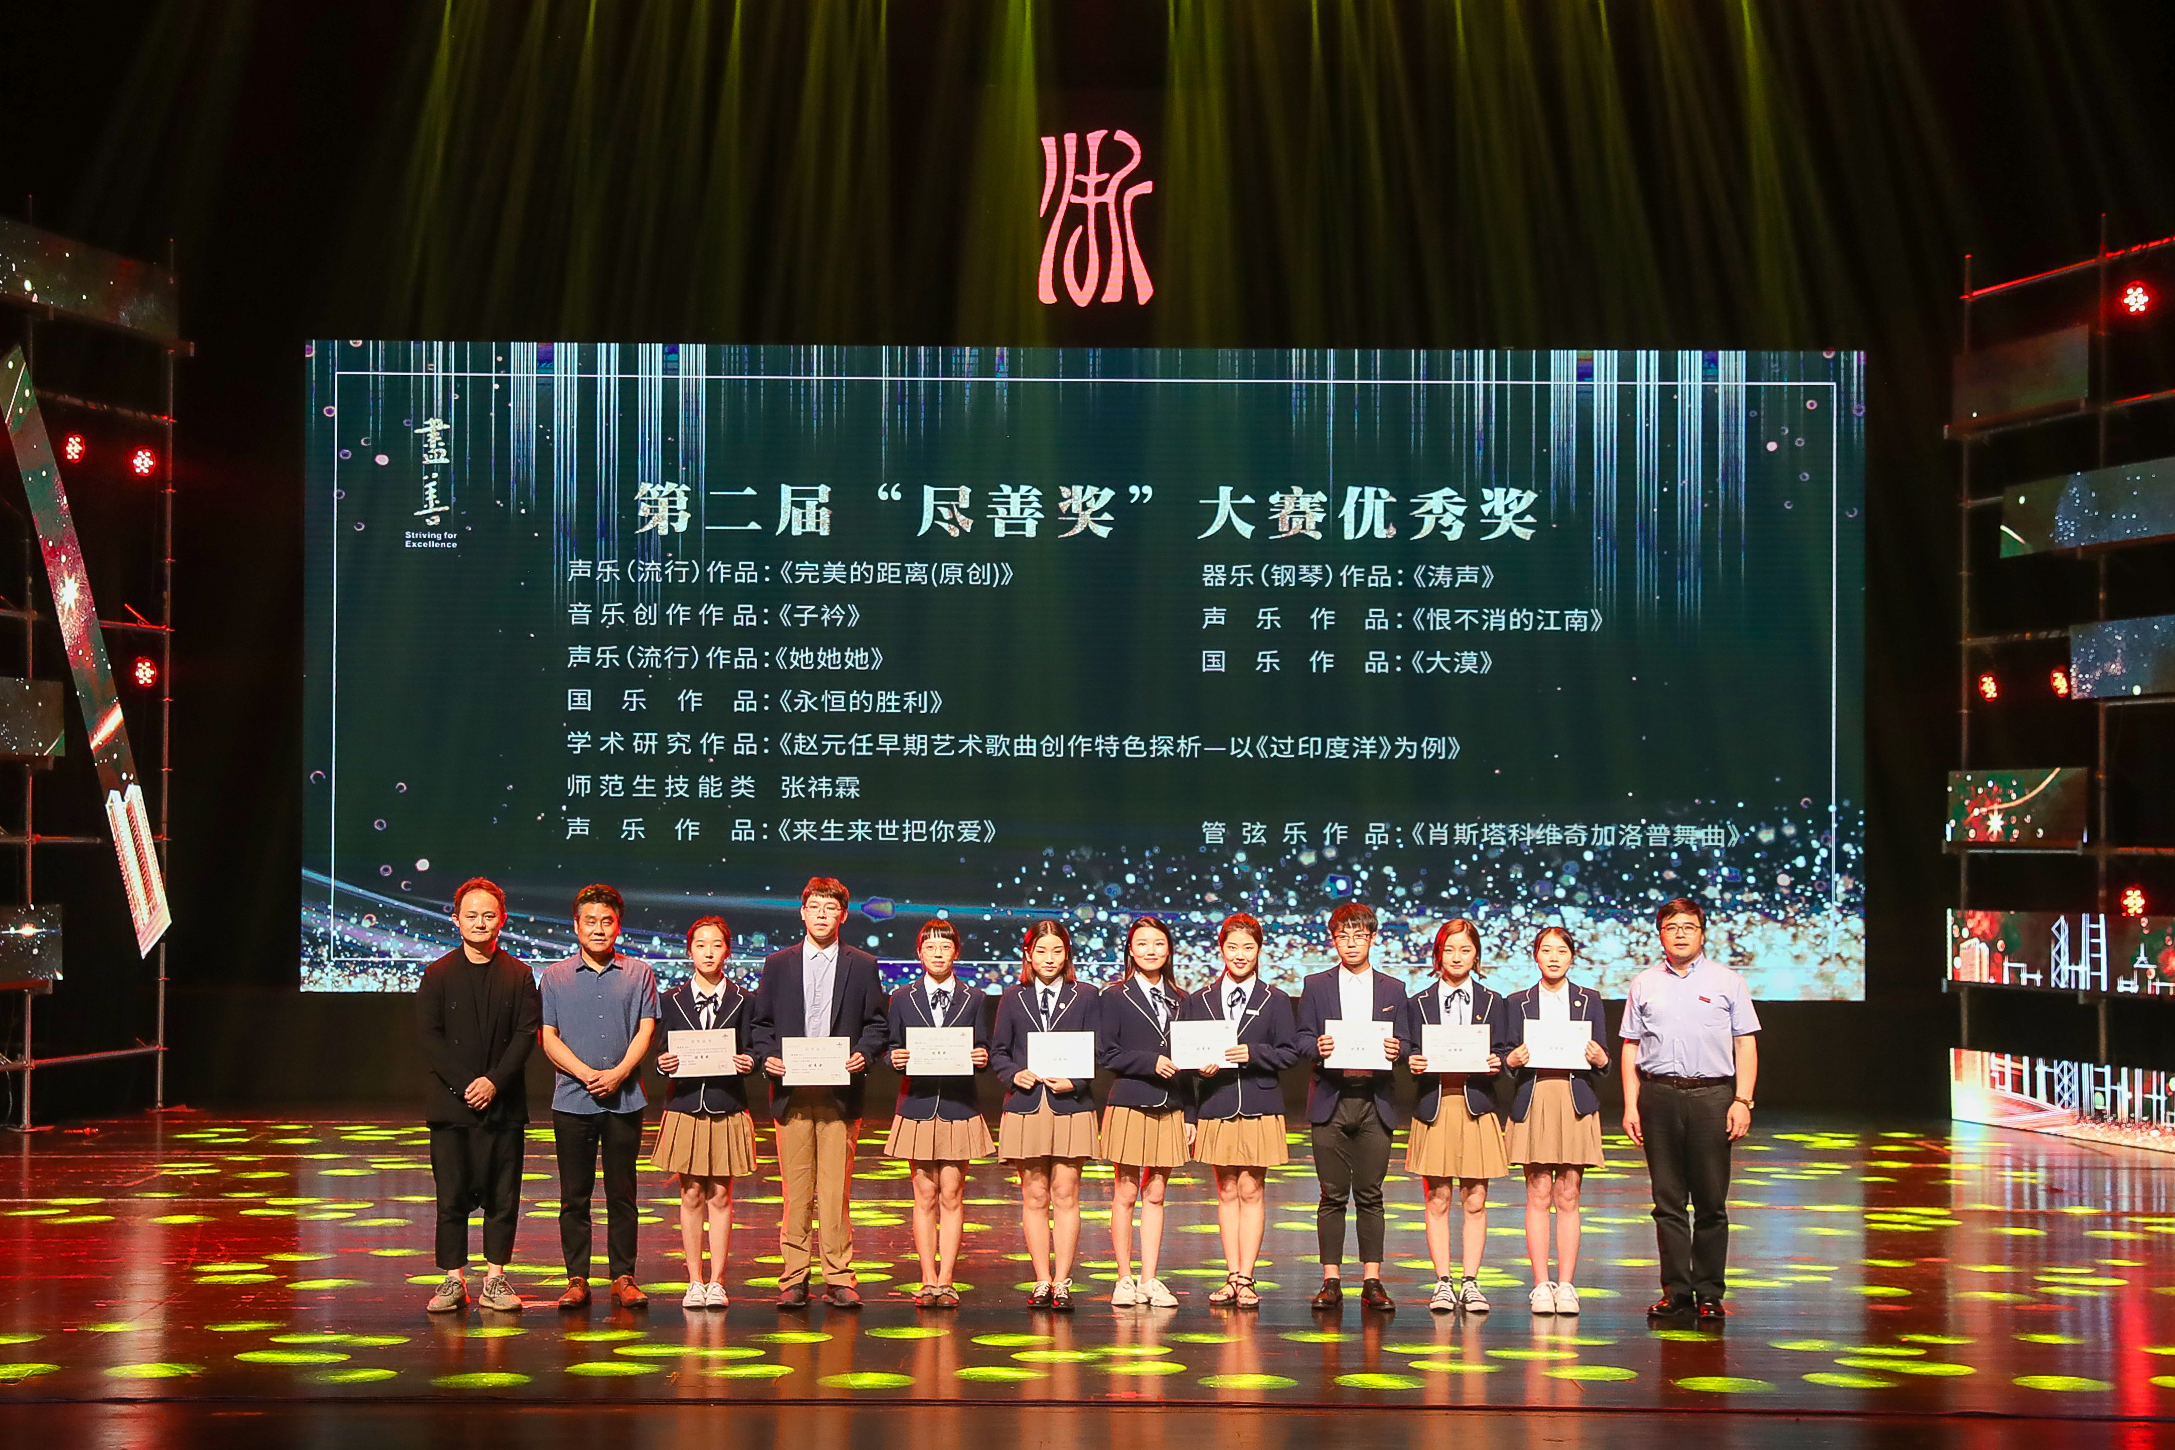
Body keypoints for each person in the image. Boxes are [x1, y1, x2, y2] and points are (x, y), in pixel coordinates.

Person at [748, 876, 889, 1310]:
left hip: (839, 1093)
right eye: (815, 907)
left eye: (831, 908)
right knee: (795, 1191)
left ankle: (839, 1276)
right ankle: (793, 1277)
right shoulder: (778, 964)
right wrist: (768, 1057)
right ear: (802, 912)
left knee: (834, 1192)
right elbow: (761, 1024)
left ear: (843, 915)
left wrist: (863, 1054)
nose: (822, 915)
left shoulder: (862, 964)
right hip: (791, 1091)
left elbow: (877, 1024)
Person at [1620, 896, 1761, 1321]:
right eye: (1671, 927)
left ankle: (1710, 1294)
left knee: (1711, 1202)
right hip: (1658, 1096)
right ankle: (1677, 1291)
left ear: (1702, 934)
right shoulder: (1644, 983)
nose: (1680, 934)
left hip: (1712, 1097)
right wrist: (1631, 1105)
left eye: (1688, 927)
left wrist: (1742, 1100)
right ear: (1660, 934)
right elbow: (1630, 1046)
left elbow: (1745, 1043)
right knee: (1667, 1202)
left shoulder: (1728, 981)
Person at [418, 877, 541, 1315]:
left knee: (503, 1196)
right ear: (456, 919)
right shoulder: (437, 974)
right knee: (450, 1195)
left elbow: (525, 1035)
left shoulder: (519, 975)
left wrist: (494, 1082)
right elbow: (430, 1037)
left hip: (503, 1105)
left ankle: (495, 1278)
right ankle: (453, 1279)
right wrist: (466, 1085)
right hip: (450, 1106)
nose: (480, 922)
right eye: (471, 915)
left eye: (489, 915)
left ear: (502, 920)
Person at [539, 882, 660, 1311]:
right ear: (576, 926)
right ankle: (576, 1278)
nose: (598, 929)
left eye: (607, 921)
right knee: (574, 1196)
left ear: (618, 926)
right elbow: (548, 1036)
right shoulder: (554, 977)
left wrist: (619, 1073)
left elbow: (647, 1029)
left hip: (624, 1100)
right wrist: (586, 1073)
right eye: (590, 921)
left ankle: (623, 1277)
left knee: (622, 1194)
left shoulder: (640, 973)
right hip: (572, 1100)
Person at [1183, 912, 1300, 1310]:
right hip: (1215, 1103)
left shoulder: (1276, 999)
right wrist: (1198, 1072)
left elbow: (1290, 1053)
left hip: (1259, 1103)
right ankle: (1231, 1275)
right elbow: (1186, 1059)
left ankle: (1247, 1277)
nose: (1239, 954)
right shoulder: (1199, 1000)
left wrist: (1253, 1053)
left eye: (1248, 947)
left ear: (1259, 950)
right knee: (1227, 1190)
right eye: (1232, 947)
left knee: (1251, 1189)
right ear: (1221, 949)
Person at [1295, 901, 1407, 1312]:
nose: (1351, 943)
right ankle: (1331, 1280)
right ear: (1333, 940)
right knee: (1332, 1195)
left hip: (1376, 1100)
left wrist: (1397, 1049)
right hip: (1331, 1097)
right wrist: (1318, 1047)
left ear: (1373, 938)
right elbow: (1301, 1039)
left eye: (1359, 935)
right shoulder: (1316, 985)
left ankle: (1372, 1280)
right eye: (1343, 936)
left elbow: (1408, 1042)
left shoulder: (1394, 988)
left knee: (1371, 1194)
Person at [1399, 917, 1512, 1314]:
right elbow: (1406, 1048)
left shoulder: (1494, 1001)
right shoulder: (1418, 1002)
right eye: (1449, 949)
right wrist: (1411, 1060)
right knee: (1438, 1198)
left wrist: (1499, 1062)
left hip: (1477, 1106)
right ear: (1438, 955)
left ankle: (1472, 1282)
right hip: (1435, 1105)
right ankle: (1443, 1282)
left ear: (1476, 955)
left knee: (1476, 1199)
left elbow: (1505, 1051)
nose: (1457, 956)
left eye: (1465, 949)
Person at [990, 919, 1101, 1311]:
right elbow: (999, 1051)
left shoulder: (1085, 995)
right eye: (1041, 951)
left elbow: (1099, 1050)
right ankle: (1041, 1280)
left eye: (1057, 951)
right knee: (1035, 1194)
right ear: (1028, 954)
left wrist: (1077, 1080)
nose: (1049, 958)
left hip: (1071, 1105)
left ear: (1067, 954)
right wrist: (1012, 1073)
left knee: (1066, 1193)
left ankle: (1063, 1282)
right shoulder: (1013, 996)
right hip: (1026, 1104)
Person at [1501, 925, 1610, 1316]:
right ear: (1535, 956)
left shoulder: (1589, 999)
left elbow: (1603, 1057)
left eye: (1561, 950)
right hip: (1535, 1098)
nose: (1553, 957)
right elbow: (1505, 1057)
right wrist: (1511, 1060)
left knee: (1568, 1194)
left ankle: (1566, 1285)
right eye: (1546, 950)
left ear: (1572, 957)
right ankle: (1540, 1285)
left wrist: (1601, 1059)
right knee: (1538, 1193)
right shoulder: (1518, 1002)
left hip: (1573, 1098)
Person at [884, 918, 993, 1308]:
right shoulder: (902, 997)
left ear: (956, 952)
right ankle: (927, 1278)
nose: (938, 953)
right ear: (919, 953)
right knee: (924, 1193)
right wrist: (894, 1058)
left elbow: (985, 1047)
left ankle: (947, 1280)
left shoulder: (974, 997)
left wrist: (982, 1056)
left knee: (952, 1191)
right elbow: (891, 1047)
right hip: (917, 1103)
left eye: (945, 947)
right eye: (930, 947)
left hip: (959, 1104)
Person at [651, 916, 758, 1311]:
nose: (708, 952)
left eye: (716, 945)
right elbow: (660, 1051)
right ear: (689, 951)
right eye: (700, 945)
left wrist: (750, 1060)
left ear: (727, 950)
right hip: (685, 1106)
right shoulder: (670, 999)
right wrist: (663, 1063)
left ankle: (717, 1282)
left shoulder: (744, 1000)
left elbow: (754, 1046)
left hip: (726, 1104)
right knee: (691, 1192)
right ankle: (694, 1280)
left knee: (720, 1194)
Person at [1098, 915, 1189, 1310]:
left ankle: (1150, 1278)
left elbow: (1191, 1058)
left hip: (1170, 1104)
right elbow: (1107, 1053)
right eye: (1142, 944)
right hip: (1129, 1100)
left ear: (1168, 950)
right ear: (1131, 951)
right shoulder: (1114, 996)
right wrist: (1149, 1062)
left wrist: (1192, 1115)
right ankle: (1124, 1278)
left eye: (1158, 943)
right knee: (1126, 1190)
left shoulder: (1182, 999)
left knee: (1157, 1192)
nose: (1151, 951)